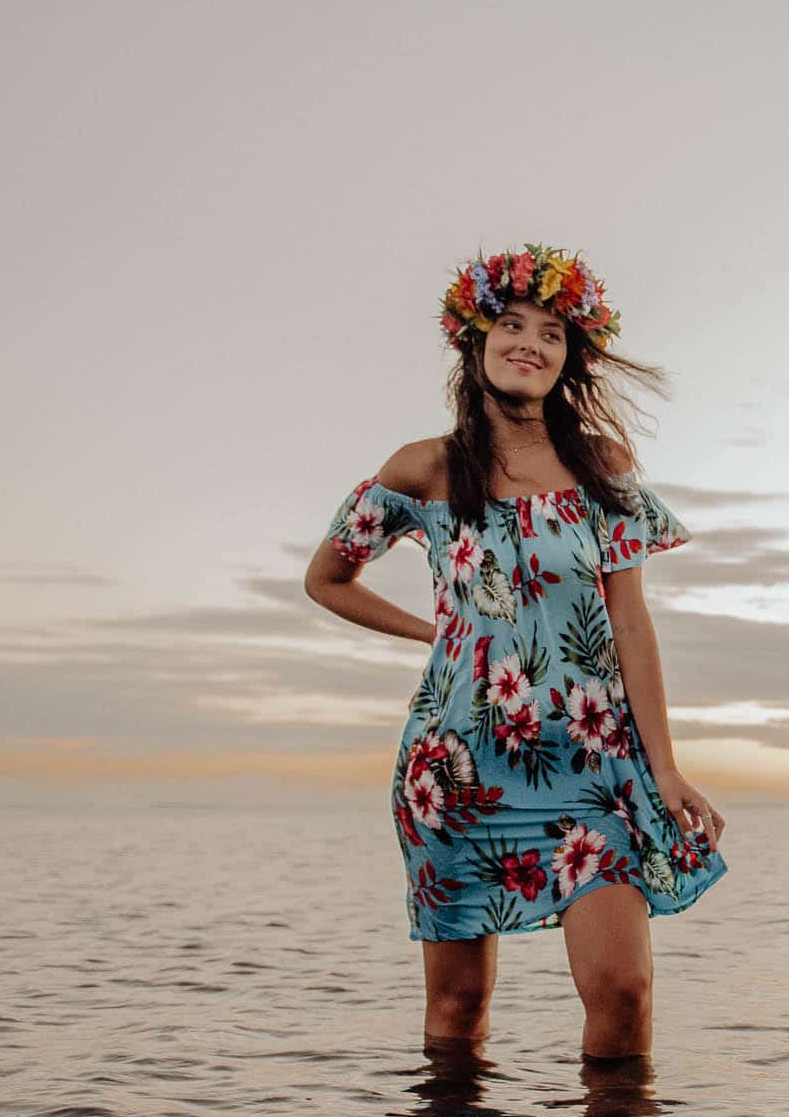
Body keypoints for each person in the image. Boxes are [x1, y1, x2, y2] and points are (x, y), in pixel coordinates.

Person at [304, 245, 727, 1060]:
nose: (530, 343)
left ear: (570, 360)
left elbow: (631, 623)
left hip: (593, 766)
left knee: (624, 992)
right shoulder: (423, 468)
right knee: (460, 1006)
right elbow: (328, 578)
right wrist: (437, 633)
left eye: (552, 334)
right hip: (457, 765)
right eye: (511, 324)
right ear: (474, 340)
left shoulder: (602, 466)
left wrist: (665, 768)